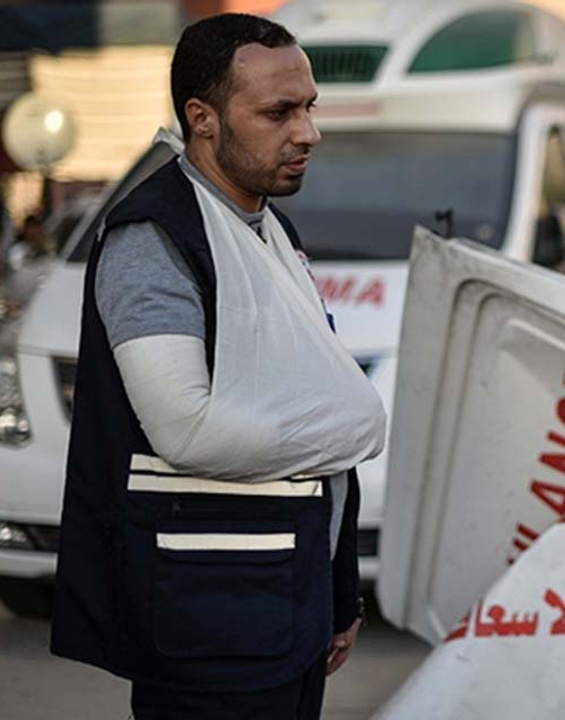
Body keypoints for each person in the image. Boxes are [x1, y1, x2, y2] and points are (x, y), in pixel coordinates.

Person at [50, 14, 387, 719]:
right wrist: (358, 426)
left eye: (309, 107)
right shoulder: (154, 241)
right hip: (208, 619)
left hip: (289, 607)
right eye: (279, 112)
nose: (308, 133)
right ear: (202, 118)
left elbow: (303, 405)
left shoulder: (267, 231)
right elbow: (188, 431)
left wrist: (337, 590)